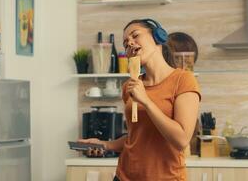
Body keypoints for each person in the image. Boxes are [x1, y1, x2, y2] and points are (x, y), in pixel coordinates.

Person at [79, 19, 201, 181]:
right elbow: (136, 137)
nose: (129, 42)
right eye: (125, 43)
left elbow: (181, 140)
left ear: (158, 37)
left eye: (135, 35)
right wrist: (104, 145)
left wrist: (146, 101)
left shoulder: (183, 80)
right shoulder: (130, 86)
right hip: (124, 176)